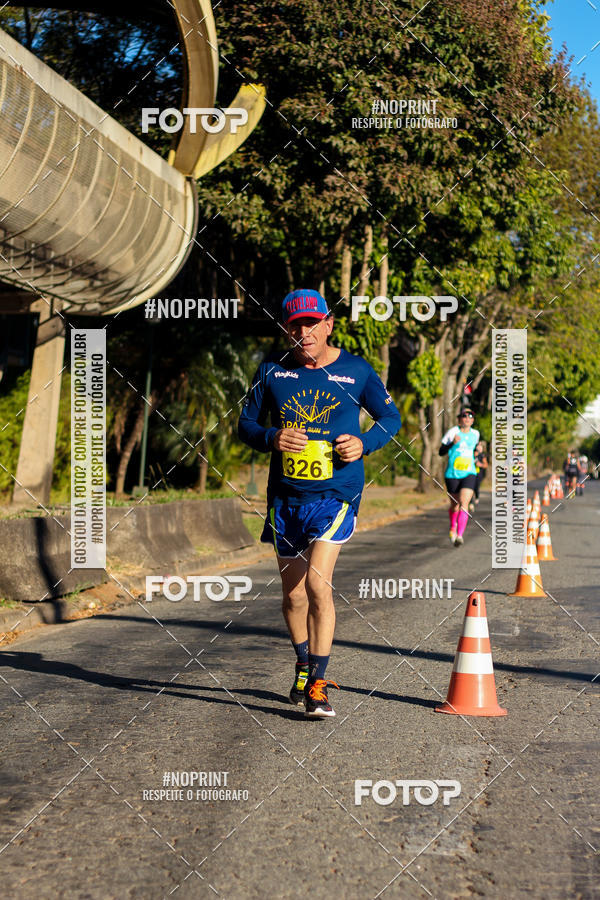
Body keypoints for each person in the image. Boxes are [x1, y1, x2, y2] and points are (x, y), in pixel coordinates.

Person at [238, 289, 402, 718]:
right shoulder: (271, 371)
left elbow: (391, 418)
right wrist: (271, 437)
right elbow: (245, 425)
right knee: (293, 597)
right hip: (286, 499)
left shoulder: (356, 370)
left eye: (312, 323)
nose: (303, 332)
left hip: (337, 495)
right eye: (295, 325)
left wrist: (364, 443)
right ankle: (302, 663)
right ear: (286, 329)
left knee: (317, 585)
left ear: (329, 324)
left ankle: (317, 684)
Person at [439, 409, 479, 546]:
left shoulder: (476, 434)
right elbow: (441, 452)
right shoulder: (453, 432)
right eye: (464, 416)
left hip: (469, 473)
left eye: (470, 416)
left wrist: (478, 452)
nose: (467, 418)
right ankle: (453, 527)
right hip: (452, 474)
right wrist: (452, 443)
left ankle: (460, 535)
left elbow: (473, 449)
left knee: (464, 503)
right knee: (454, 506)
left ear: (473, 420)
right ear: (459, 419)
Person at [470, 439, 488, 511]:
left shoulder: (482, 455)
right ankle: (471, 503)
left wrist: (480, 464)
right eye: (478, 447)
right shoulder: (471, 454)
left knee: (476, 487)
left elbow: (485, 465)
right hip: (471, 473)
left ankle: (477, 497)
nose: (479, 448)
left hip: (479, 474)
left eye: (480, 447)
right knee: (470, 487)